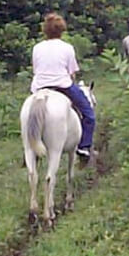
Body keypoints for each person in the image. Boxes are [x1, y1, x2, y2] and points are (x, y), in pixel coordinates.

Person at [30, 13, 96, 161]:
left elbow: (35, 70)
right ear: (62, 30)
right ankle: (84, 146)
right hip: (62, 85)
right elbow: (72, 74)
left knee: (30, 113)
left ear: (45, 30)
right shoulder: (67, 48)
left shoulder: (37, 48)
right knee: (89, 114)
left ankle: (30, 144)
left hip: (39, 86)